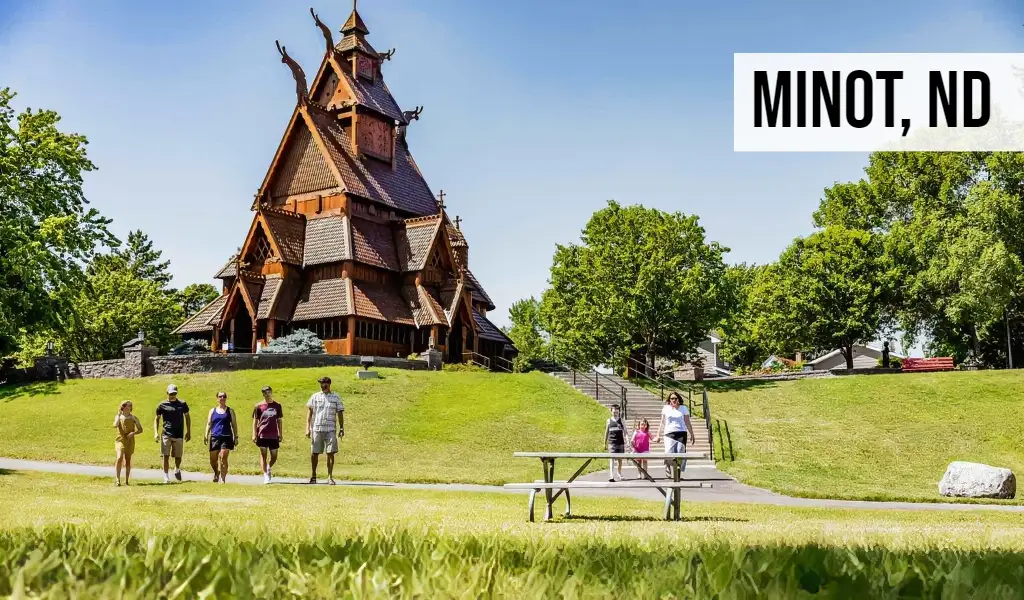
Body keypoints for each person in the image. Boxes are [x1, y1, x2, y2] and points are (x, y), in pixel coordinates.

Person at [306, 376, 343, 485]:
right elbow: (310, 413)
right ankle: (313, 476)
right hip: (317, 428)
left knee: (330, 453)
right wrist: (307, 428)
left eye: (324, 383)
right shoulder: (315, 396)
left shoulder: (336, 397)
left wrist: (341, 428)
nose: (322, 385)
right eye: (321, 384)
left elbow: (340, 413)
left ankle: (330, 477)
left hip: (330, 429)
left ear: (329, 384)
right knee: (314, 452)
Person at [155, 384, 191, 484]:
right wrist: (156, 432)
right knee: (165, 456)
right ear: (167, 393)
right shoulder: (162, 405)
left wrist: (188, 431)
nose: (172, 395)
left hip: (178, 433)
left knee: (178, 456)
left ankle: (177, 469)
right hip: (166, 433)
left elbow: (187, 417)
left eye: (174, 393)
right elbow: (157, 419)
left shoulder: (182, 404)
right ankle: (166, 477)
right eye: (171, 394)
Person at [654, 391, 695, 478]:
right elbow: (662, 423)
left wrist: (692, 434)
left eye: (675, 398)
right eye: (672, 398)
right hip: (669, 433)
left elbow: (687, 422)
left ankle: (678, 475)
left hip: (681, 433)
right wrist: (658, 435)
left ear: (678, 399)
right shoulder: (666, 408)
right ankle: (667, 465)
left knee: (680, 453)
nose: (674, 400)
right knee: (669, 452)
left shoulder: (683, 408)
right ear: (669, 400)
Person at [204, 392, 238, 483]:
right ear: (217, 398)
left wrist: (236, 436)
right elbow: (209, 423)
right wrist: (206, 435)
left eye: (224, 396)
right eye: (220, 396)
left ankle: (223, 479)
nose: (222, 398)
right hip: (215, 437)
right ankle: (216, 472)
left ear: (226, 398)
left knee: (223, 457)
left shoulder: (230, 411)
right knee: (213, 460)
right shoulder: (212, 411)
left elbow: (234, 424)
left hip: (226, 437)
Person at [253, 385, 284, 484]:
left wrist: (280, 433)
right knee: (263, 455)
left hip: (273, 434)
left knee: (274, 456)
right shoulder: (258, 406)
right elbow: (255, 421)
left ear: (271, 392)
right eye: (265, 393)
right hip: (262, 434)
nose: (267, 394)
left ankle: (268, 466)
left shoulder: (277, 406)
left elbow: (279, 420)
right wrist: (254, 434)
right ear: (263, 394)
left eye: (268, 392)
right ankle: (265, 474)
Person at [113, 400, 143, 486]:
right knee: (119, 457)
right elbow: (115, 425)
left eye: (129, 406)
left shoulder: (134, 418)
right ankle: (117, 479)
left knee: (128, 459)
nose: (128, 407)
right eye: (126, 406)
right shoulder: (118, 417)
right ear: (122, 407)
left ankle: (126, 480)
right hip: (120, 439)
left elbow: (140, 429)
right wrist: (119, 415)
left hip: (130, 440)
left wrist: (133, 433)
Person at [604, 404, 627, 481]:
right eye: (614, 412)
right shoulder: (608, 421)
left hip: (620, 442)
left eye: (617, 412)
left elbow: (625, 431)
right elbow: (606, 432)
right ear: (611, 411)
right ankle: (611, 475)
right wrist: (604, 443)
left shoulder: (621, 420)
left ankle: (619, 473)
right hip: (612, 442)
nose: (615, 413)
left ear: (619, 411)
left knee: (620, 459)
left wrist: (627, 440)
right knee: (612, 458)